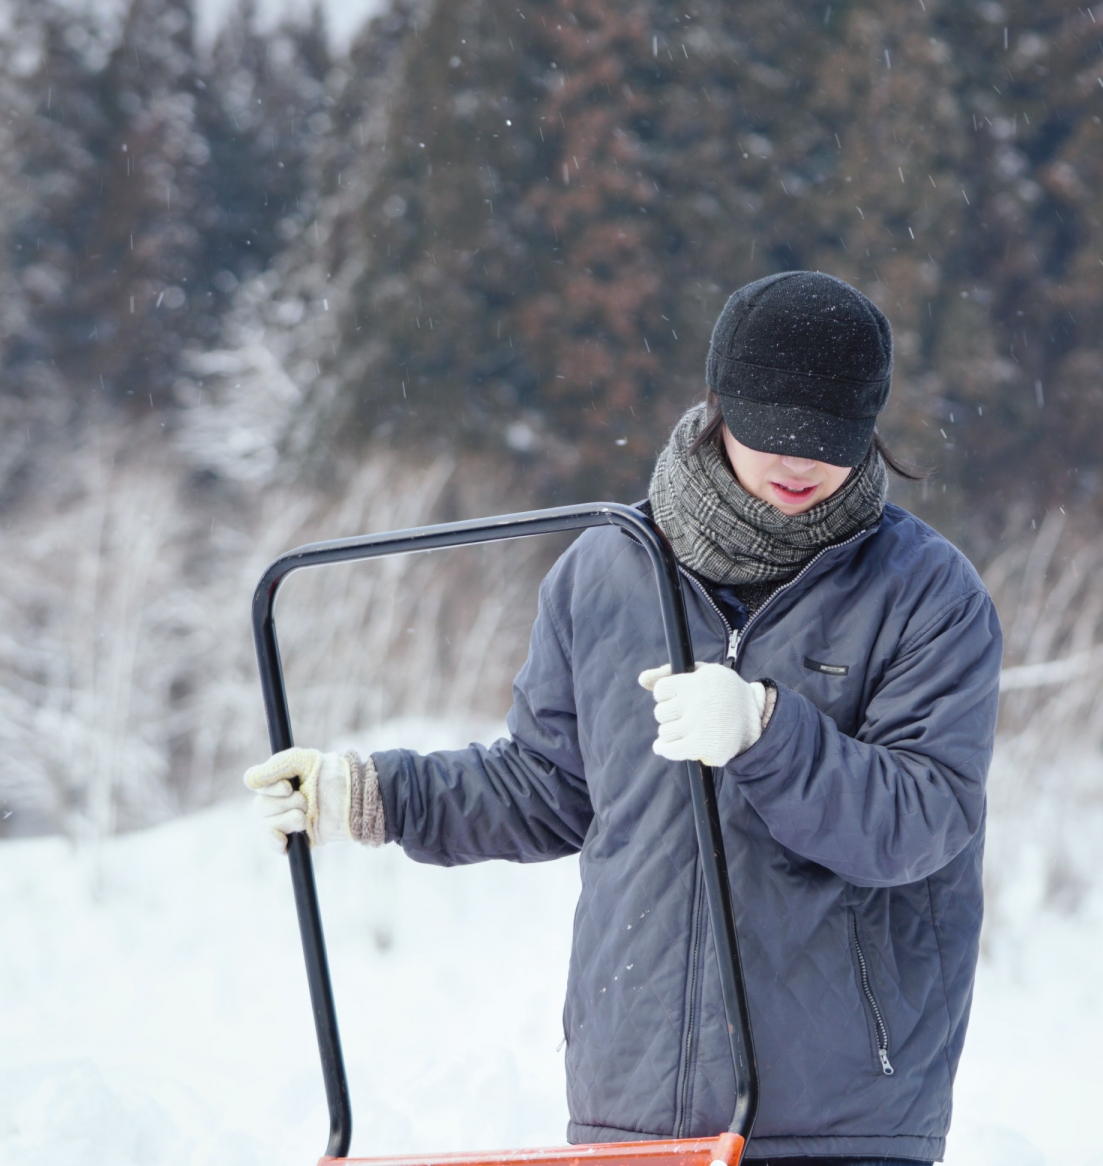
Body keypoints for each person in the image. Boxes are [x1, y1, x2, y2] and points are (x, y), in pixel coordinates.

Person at [246, 271, 1002, 1166]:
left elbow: (920, 822)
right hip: (633, 1107)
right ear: (719, 403)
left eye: (828, 440)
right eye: (772, 434)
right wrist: (372, 795)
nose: (799, 463)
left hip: (841, 1116)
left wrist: (768, 732)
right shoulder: (604, 571)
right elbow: (547, 787)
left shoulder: (925, 593)